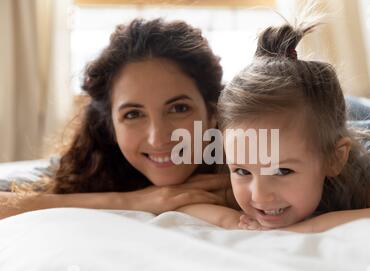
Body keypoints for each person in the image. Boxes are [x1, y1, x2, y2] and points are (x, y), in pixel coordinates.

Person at [176, 22, 370, 233]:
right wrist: (231, 220)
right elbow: (184, 201)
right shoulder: (257, 158)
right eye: (242, 171)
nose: (259, 195)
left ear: (334, 159)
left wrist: (318, 225)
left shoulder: (369, 172)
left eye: (282, 170)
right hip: (342, 129)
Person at [0, 18, 238, 219]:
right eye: (133, 114)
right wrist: (132, 201)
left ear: (212, 114)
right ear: (111, 126)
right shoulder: (91, 166)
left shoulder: (249, 155)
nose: (158, 138)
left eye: (179, 109)